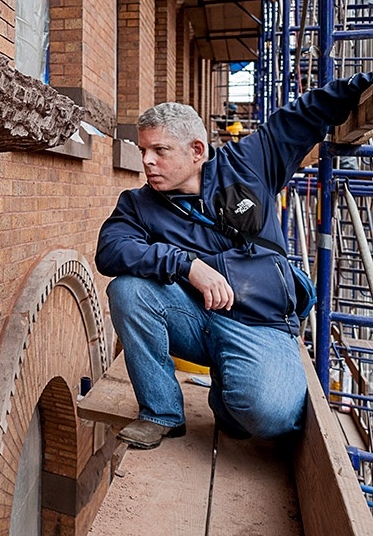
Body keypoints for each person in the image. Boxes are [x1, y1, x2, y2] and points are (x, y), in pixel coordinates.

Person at [96, 73, 373, 449]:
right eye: (143, 149)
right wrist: (187, 265)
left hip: (261, 322)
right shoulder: (138, 204)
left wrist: (362, 84)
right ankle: (161, 412)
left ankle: (227, 395)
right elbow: (110, 250)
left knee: (269, 415)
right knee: (127, 291)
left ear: (196, 150)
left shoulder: (249, 162)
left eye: (159, 151)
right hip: (195, 319)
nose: (146, 161)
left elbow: (307, 113)